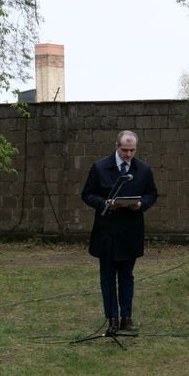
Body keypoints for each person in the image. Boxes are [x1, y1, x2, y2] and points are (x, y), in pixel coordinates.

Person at [81, 130, 158, 333]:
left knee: (127, 276)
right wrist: (104, 203)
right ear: (116, 146)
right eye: (124, 150)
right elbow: (87, 194)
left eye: (132, 150)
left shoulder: (143, 169)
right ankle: (112, 318)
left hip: (130, 232)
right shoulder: (99, 167)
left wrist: (141, 204)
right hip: (106, 232)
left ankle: (127, 317)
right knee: (107, 277)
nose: (128, 155)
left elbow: (152, 193)